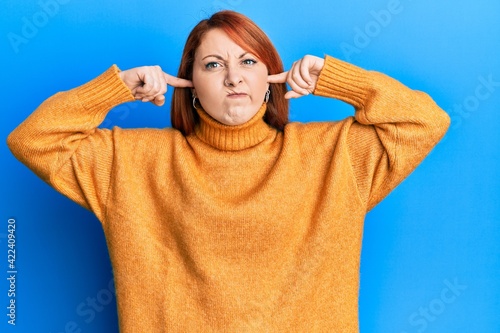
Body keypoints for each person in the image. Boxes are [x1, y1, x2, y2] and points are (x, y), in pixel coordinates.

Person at [7, 10, 450, 333]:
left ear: (271, 78)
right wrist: (114, 90)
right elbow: (32, 140)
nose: (233, 78)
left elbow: (425, 122)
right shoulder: (131, 162)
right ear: (190, 84)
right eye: (214, 65)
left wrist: (336, 78)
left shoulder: (334, 154)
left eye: (249, 62)